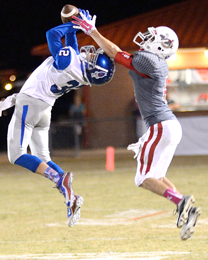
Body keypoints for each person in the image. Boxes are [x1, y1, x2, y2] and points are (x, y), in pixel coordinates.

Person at [72, 11, 201, 239]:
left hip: (161, 125)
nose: (146, 40)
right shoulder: (155, 62)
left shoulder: (149, 61)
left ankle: (181, 201)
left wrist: (92, 31)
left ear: (161, 47)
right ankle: (187, 209)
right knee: (157, 176)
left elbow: (114, 52)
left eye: (152, 38)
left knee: (143, 178)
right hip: (167, 125)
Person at [0, 11, 115, 227]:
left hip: (32, 104)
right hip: (44, 108)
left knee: (16, 155)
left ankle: (59, 179)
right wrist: (75, 26)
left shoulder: (71, 63)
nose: (90, 54)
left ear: (94, 68)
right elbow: (70, 48)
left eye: (93, 58)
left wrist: (78, 26)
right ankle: (70, 197)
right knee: (43, 157)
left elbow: (52, 34)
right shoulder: (80, 73)